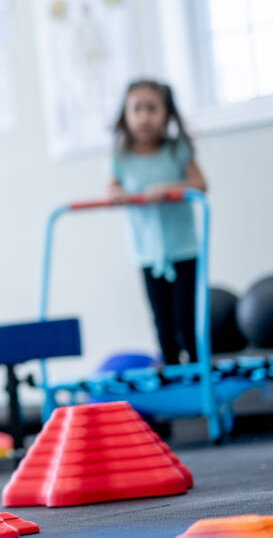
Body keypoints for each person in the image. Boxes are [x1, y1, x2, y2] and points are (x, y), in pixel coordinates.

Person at [107, 79, 208, 365]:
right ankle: (172, 371)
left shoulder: (176, 150)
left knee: (186, 317)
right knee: (162, 319)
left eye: (152, 108)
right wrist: (117, 194)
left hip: (183, 250)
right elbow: (111, 188)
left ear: (166, 114)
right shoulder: (122, 157)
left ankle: (198, 373)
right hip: (147, 254)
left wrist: (169, 189)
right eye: (137, 109)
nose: (144, 117)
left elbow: (200, 184)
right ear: (126, 117)